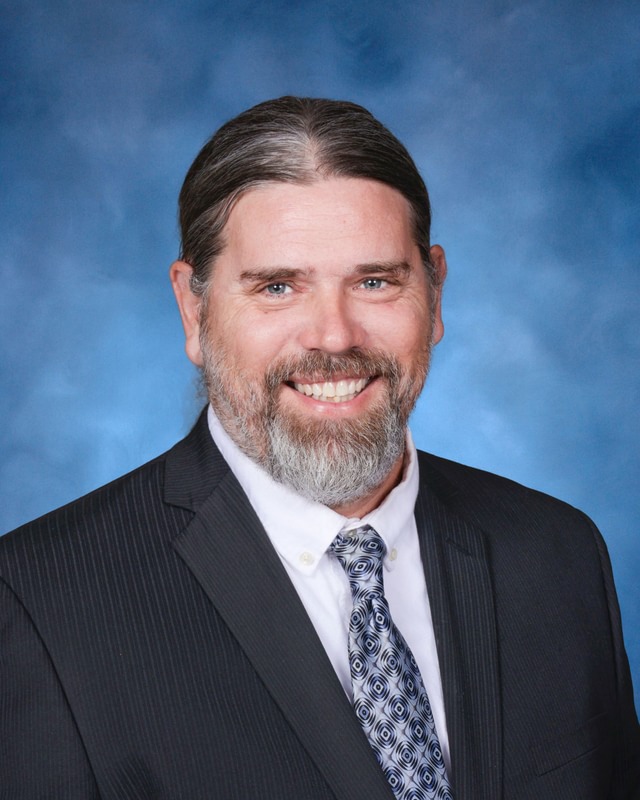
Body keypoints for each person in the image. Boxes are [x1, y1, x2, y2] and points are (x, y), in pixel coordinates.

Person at [1, 96, 638, 800]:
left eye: (374, 282)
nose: (333, 337)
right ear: (193, 308)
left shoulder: (559, 553)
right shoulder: (37, 604)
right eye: (278, 287)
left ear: (435, 292)